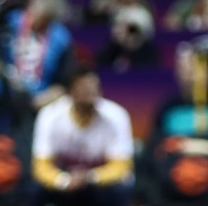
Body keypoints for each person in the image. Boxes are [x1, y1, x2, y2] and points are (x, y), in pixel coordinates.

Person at [31, 67, 133, 206]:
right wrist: (65, 181)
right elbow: (41, 167)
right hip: (64, 180)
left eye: (94, 89)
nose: (91, 94)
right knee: (35, 189)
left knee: (121, 188)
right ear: (71, 92)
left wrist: (90, 177)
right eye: (84, 89)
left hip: (98, 182)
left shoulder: (116, 115)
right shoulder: (50, 115)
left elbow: (121, 166)